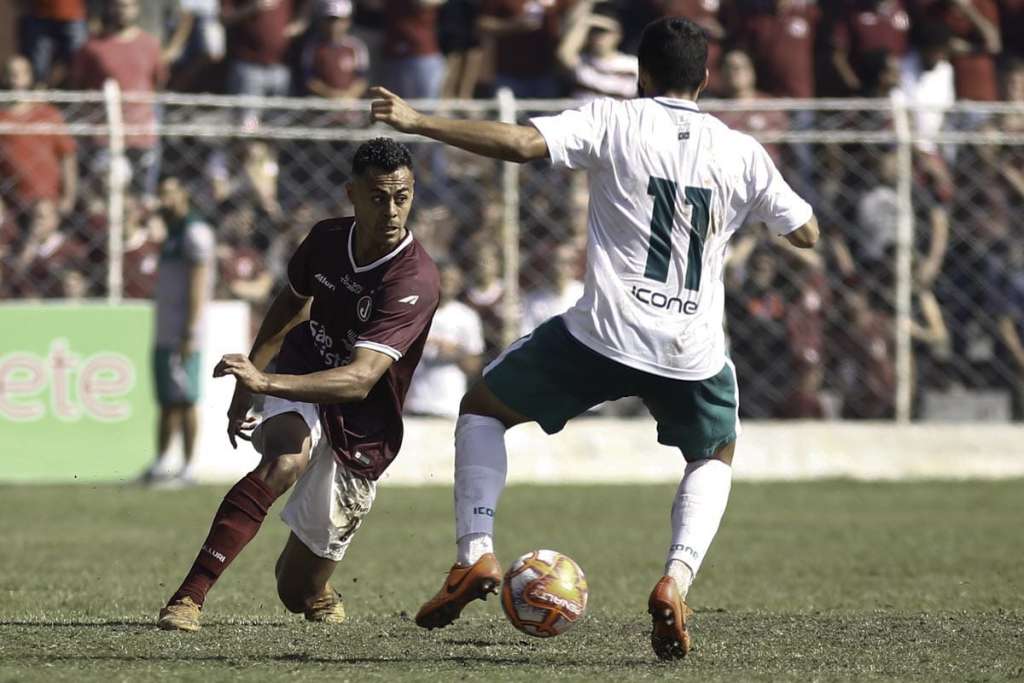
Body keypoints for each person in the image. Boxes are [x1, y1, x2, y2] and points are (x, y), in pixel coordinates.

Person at [370, 16, 819, 661]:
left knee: (483, 411)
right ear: (706, 78)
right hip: (690, 348)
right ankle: (676, 578)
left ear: (642, 73)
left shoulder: (616, 120)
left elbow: (522, 144)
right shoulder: (741, 152)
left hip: (604, 333)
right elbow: (805, 232)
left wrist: (418, 122)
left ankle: (475, 555)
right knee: (713, 454)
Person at [156, 138, 440, 632]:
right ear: (352, 194)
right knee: (285, 460)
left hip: (364, 421)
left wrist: (263, 379)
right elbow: (291, 303)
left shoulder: (414, 278)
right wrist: (251, 384)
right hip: (305, 366)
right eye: (378, 197)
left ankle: (316, 588)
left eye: (403, 196)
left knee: (295, 591)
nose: (392, 210)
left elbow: (359, 381)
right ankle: (188, 598)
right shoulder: (327, 239)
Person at [140, 176, 216, 486]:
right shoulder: (172, 232)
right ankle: (161, 463)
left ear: (184, 194)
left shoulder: (194, 232)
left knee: (185, 398)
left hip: (184, 331)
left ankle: (188, 467)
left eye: (170, 194)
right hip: (166, 328)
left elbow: (199, 283)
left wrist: (190, 330)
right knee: (166, 398)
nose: (164, 201)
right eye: (161, 194)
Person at [406, 261, 484, 418]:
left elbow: (474, 366)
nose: (448, 284)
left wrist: (456, 353)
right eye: (444, 279)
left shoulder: (467, 316)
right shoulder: (412, 313)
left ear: (460, 284)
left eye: (453, 280)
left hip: (448, 406)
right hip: (413, 403)